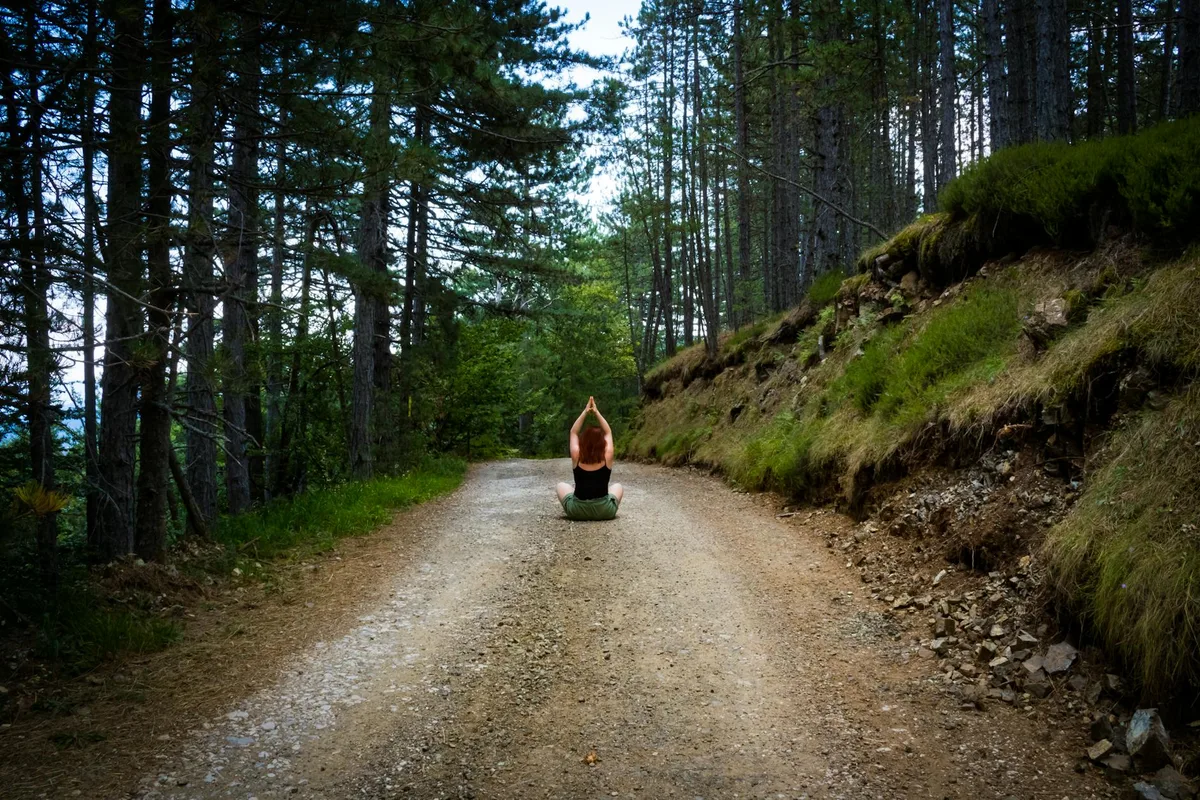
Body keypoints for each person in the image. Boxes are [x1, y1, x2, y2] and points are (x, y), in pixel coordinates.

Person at [556, 396, 624, 521]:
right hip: (605, 512)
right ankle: (601, 501)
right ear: (602, 443)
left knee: (561, 486)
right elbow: (608, 432)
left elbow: (573, 432)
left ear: (583, 441)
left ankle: (577, 496)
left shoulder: (577, 455)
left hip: (577, 511)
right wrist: (596, 412)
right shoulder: (607, 455)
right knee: (618, 486)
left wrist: (585, 411)